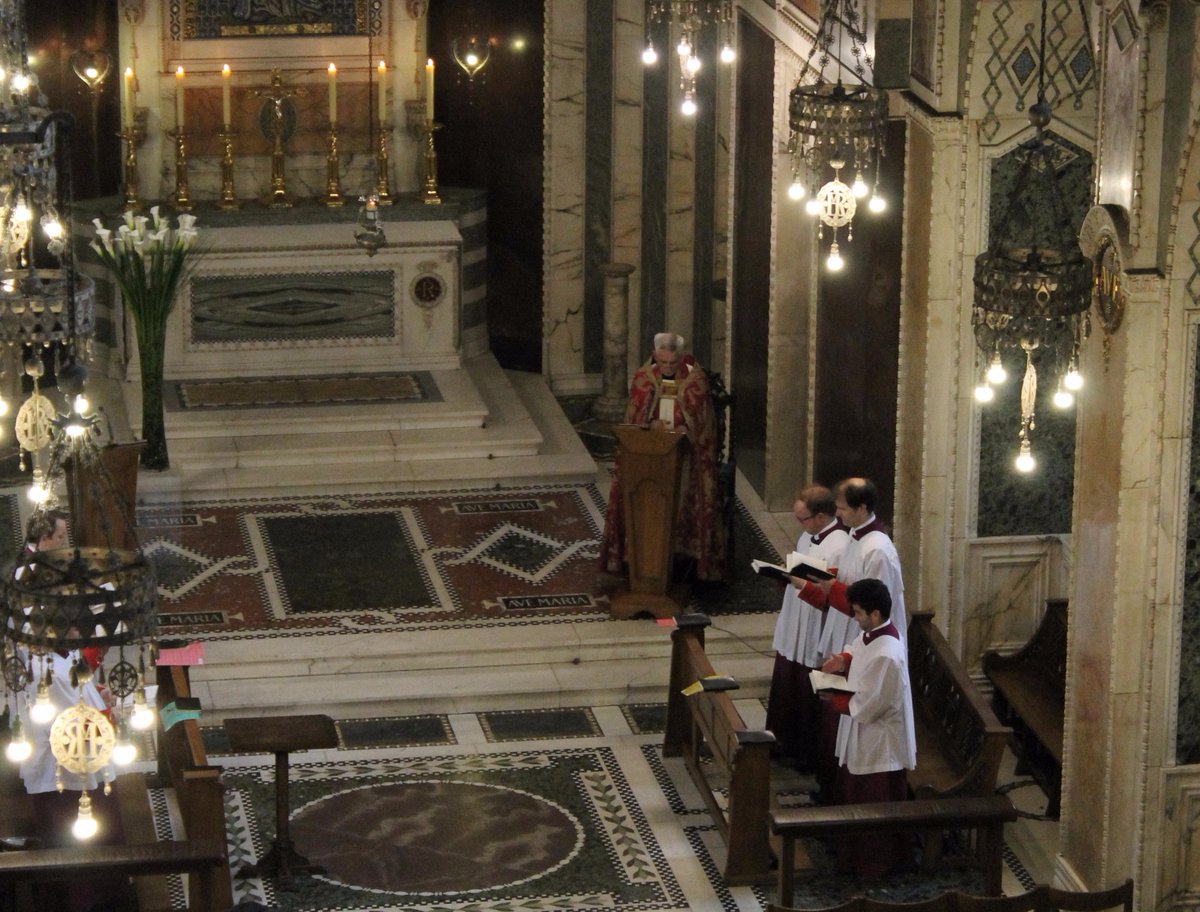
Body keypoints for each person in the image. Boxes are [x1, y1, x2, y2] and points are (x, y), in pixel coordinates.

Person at [600, 332, 726, 581]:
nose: (668, 367)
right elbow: (634, 418)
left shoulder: (695, 379)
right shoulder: (643, 378)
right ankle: (640, 555)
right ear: (655, 355)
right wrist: (649, 422)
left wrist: (685, 429)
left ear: (681, 357)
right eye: (663, 362)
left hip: (687, 459)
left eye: (673, 363)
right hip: (648, 457)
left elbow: (704, 423)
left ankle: (683, 555)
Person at [819, 577, 916, 877]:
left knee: (872, 805)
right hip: (863, 734)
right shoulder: (873, 634)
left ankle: (874, 864)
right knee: (853, 796)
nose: (855, 617)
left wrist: (833, 696)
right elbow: (858, 649)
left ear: (875, 614)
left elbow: (874, 703)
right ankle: (851, 854)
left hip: (879, 742)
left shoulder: (887, 653)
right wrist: (844, 660)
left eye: (859, 613)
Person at [764, 485, 848, 770]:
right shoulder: (808, 535)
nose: (799, 524)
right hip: (794, 623)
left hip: (815, 628)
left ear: (821, 516)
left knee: (806, 694)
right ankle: (782, 743)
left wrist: (800, 583)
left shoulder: (839, 546)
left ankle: (804, 755)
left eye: (803, 518)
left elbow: (831, 598)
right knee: (787, 687)